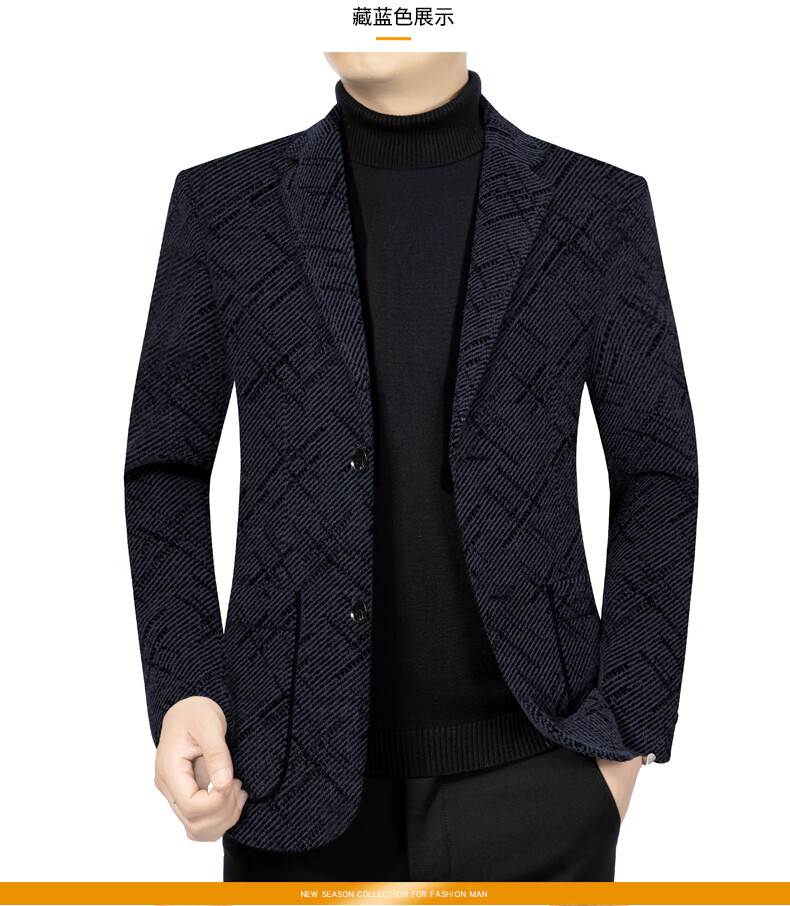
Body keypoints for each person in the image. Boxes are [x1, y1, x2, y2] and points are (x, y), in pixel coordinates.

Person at [124, 51, 698, 881]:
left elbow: (657, 471)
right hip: (285, 780)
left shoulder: (593, 207)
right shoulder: (225, 207)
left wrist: (623, 742)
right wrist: (188, 689)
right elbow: (166, 467)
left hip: (543, 770)